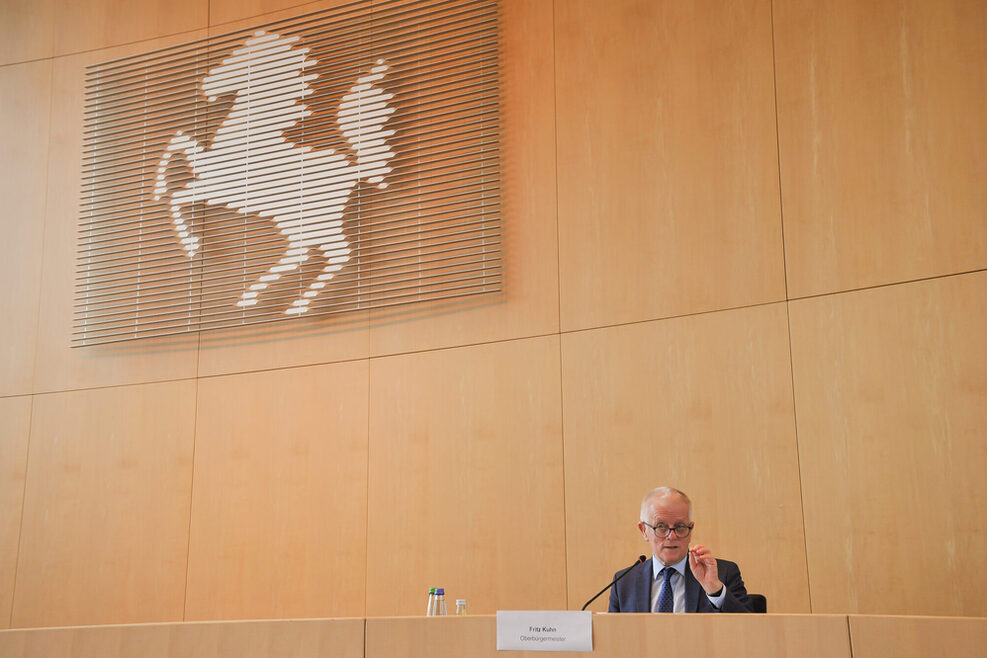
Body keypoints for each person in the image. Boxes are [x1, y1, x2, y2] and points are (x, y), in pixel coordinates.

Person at [608, 487, 752, 613]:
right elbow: (615, 639)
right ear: (644, 530)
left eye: (681, 527)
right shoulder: (623, 582)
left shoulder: (722, 573)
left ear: (691, 529)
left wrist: (714, 589)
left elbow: (749, 631)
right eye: (661, 527)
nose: (672, 536)